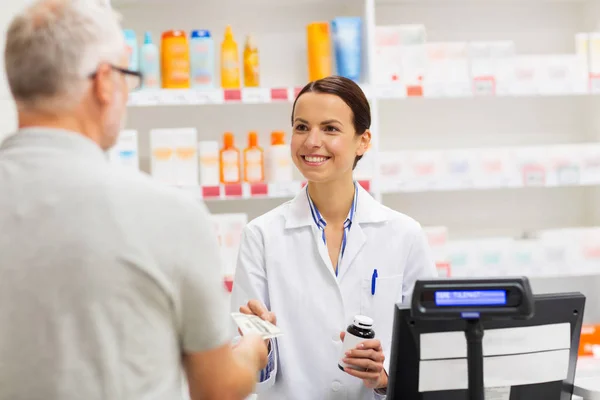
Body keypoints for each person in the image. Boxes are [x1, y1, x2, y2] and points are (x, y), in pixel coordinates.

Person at [0, 1, 267, 399]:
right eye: (127, 77)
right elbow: (217, 389)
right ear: (104, 82)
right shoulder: (167, 214)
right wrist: (251, 349)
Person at [231, 75, 438, 399]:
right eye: (301, 127)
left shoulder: (404, 234)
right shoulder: (261, 236)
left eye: (330, 128)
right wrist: (261, 348)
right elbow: (246, 368)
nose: (312, 141)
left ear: (363, 140)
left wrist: (384, 379)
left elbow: (431, 352)